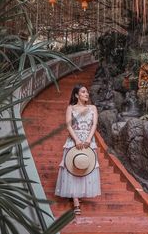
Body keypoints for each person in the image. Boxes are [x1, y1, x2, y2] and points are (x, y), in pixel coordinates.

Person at [55, 84, 101, 215]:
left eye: (87, 92)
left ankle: (79, 193)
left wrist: (88, 139)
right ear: (76, 95)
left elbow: (94, 124)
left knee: (84, 166)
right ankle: (75, 200)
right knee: (72, 167)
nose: (87, 94)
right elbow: (69, 126)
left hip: (88, 141)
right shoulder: (71, 108)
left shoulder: (92, 108)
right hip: (74, 140)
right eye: (83, 92)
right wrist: (76, 140)